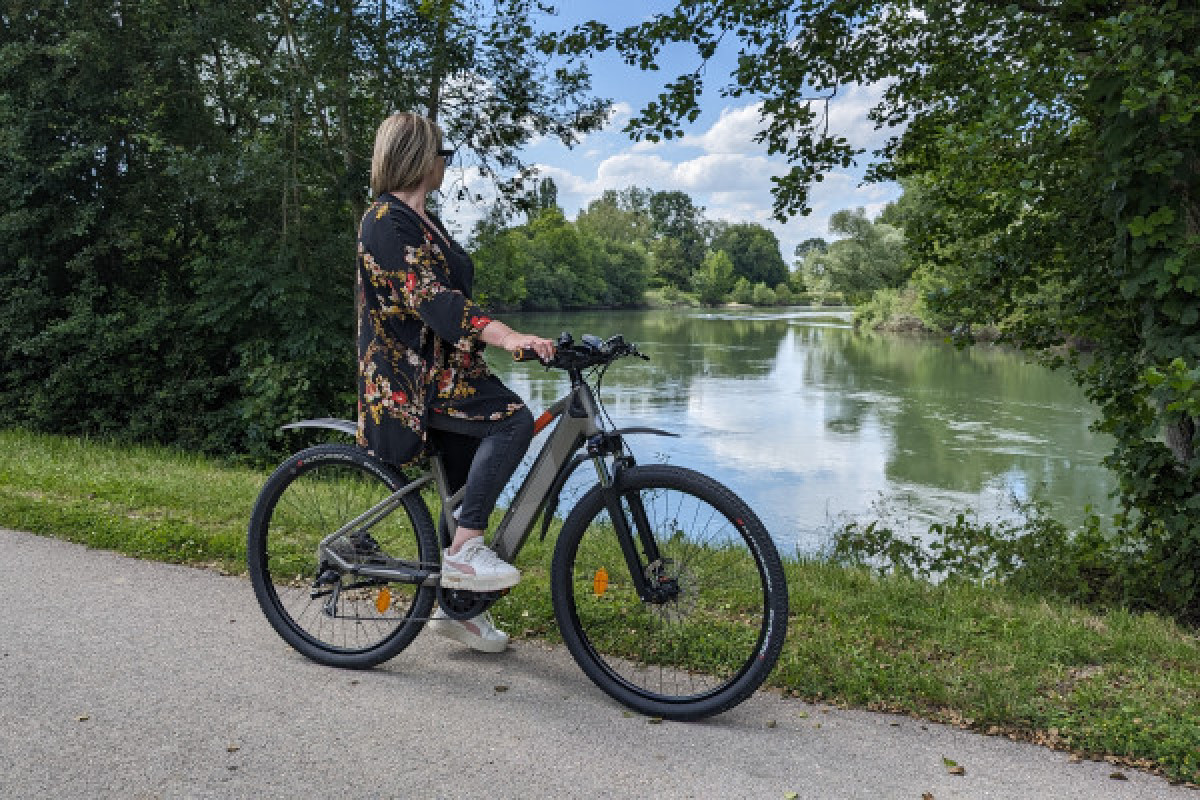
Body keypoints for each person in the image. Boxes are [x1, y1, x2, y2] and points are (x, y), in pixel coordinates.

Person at [356, 111, 555, 653]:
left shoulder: (423, 220)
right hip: (413, 379)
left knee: (461, 490)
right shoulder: (384, 220)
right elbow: (432, 301)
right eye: (442, 154)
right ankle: (465, 552)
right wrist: (504, 333)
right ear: (420, 158)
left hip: (449, 371)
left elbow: (451, 298)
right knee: (513, 420)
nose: (446, 163)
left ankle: (456, 611)